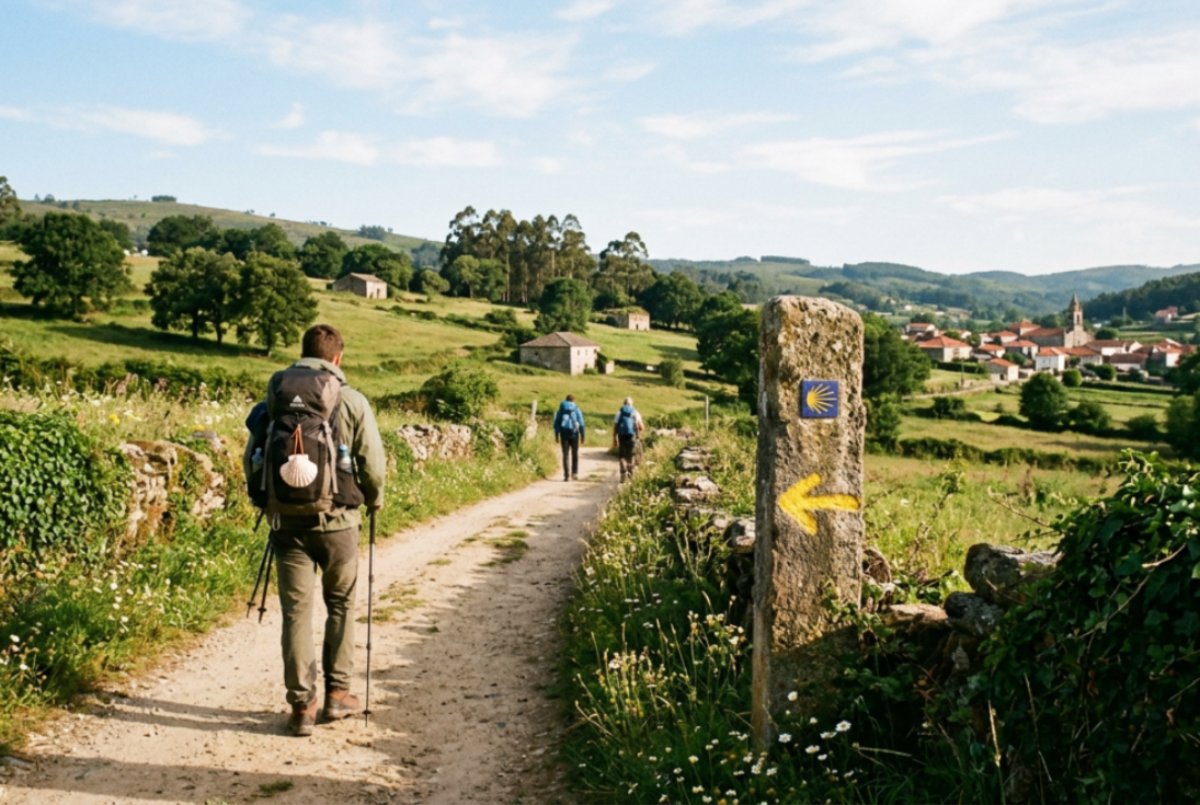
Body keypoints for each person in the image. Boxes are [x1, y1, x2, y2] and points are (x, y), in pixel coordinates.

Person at [244, 323, 386, 737]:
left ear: (303, 352)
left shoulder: (274, 399)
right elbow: (373, 463)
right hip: (339, 522)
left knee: (296, 612)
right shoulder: (352, 400)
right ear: (337, 358)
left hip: (287, 523)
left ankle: (302, 706)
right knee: (340, 605)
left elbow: (252, 458)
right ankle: (338, 695)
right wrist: (374, 500)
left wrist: (264, 500)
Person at [553, 393, 586, 481]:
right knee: (574, 454)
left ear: (566, 400)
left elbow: (556, 423)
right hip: (574, 433)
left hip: (564, 434)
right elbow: (581, 423)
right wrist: (582, 435)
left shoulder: (561, 409)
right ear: (573, 400)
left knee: (565, 454)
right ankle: (574, 473)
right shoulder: (576, 409)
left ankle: (566, 475)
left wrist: (556, 435)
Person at [612, 396, 645, 482]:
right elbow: (641, 427)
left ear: (624, 403)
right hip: (632, 436)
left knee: (622, 455)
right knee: (631, 455)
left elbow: (615, 426)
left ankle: (623, 471)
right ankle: (631, 474)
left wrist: (614, 438)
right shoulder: (635, 412)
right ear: (631, 404)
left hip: (621, 436)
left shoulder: (619, 412)